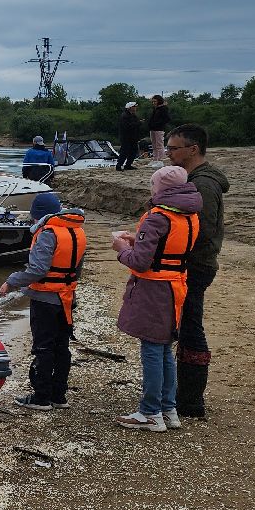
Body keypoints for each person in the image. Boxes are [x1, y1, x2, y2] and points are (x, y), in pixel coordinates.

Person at [111, 164, 202, 432]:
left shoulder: (157, 217)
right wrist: (137, 240)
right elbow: (166, 250)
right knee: (164, 350)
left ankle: (150, 412)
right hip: (176, 286)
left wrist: (121, 249)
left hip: (154, 289)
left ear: (160, 189)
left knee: (152, 349)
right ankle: (168, 409)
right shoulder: (190, 214)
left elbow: (139, 263)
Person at [165, 124, 230, 419]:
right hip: (192, 264)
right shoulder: (195, 179)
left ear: (193, 150)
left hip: (196, 266)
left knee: (191, 328)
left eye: (173, 148)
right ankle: (183, 394)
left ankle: (191, 402)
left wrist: (165, 242)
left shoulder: (203, 184)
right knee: (184, 326)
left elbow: (201, 230)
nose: (168, 153)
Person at [1, 191, 87, 410]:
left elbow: (37, 270)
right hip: (66, 298)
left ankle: (40, 397)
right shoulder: (76, 232)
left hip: (46, 300)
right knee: (61, 346)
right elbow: (76, 271)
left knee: (43, 347)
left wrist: (11, 281)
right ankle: (59, 396)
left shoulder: (47, 232)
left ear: (37, 214)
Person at [116, 100, 142, 171]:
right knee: (124, 151)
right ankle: (119, 165)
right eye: (133, 107)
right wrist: (138, 123)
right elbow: (128, 126)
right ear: (129, 108)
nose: (135, 108)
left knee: (133, 151)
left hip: (133, 137)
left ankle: (128, 164)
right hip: (126, 137)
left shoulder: (133, 115)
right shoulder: (125, 116)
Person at [147, 95, 170, 162]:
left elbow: (167, 119)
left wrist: (158, 123)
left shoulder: (163, 109)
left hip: (159, 129)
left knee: (159, 145)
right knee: (154, 145)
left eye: (155, 101)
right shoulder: (155, 109)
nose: (153, 103)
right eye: (153, 101)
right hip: (152, 129)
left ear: (158, 101)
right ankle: (155, 159)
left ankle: (160, 160)